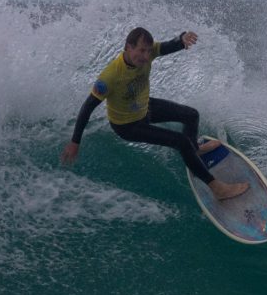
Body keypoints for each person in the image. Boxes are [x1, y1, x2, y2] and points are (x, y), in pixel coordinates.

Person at [61, 27, 250, 200]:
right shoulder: (110, 76)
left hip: (144, 108)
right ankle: (218, 189)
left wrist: (181, 38)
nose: (145, 56)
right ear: (128, 47)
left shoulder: (148, 54)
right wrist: (75, 142)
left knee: (191, 115)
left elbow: (166, 47)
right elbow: (88, 107)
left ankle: (195, 150)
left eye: (147, 51)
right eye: (140, 50)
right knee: (180, 141)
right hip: (128, 126)